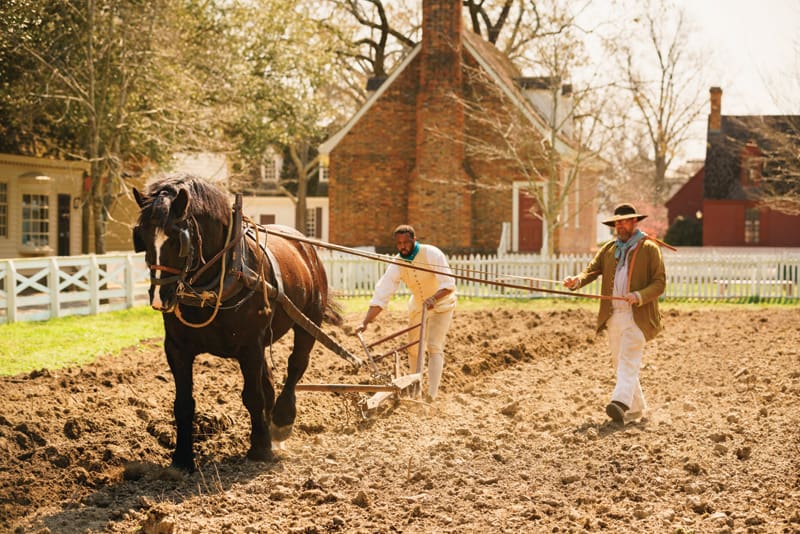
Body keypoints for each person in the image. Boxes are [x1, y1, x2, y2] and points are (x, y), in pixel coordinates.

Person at [563, 203, 666, 425]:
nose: (619, 225)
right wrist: (577, 281)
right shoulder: (610, 249)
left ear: (634, 222)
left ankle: (619, 404)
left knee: (628, 360)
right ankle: (636, 409)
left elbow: (659, 283)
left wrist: (638, 295)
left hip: (637, 315)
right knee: (620, 364)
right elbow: (591, 270)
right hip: (614, 316)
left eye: (624, 221)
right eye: (617, 222)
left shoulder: (649, 248)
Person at [356, 225, 456, 401]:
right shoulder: (397, 263)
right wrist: (365, 322)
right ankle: (414, 391)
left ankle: (432, 394)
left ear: (414, 240)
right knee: (413, 349)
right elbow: (383, 293)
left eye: (406, 243)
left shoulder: (432, 253)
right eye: (399, 243)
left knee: (434, 346)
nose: (402, 247)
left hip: (442, 305)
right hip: (418, 307)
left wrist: (434, 298)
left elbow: (448, 284)